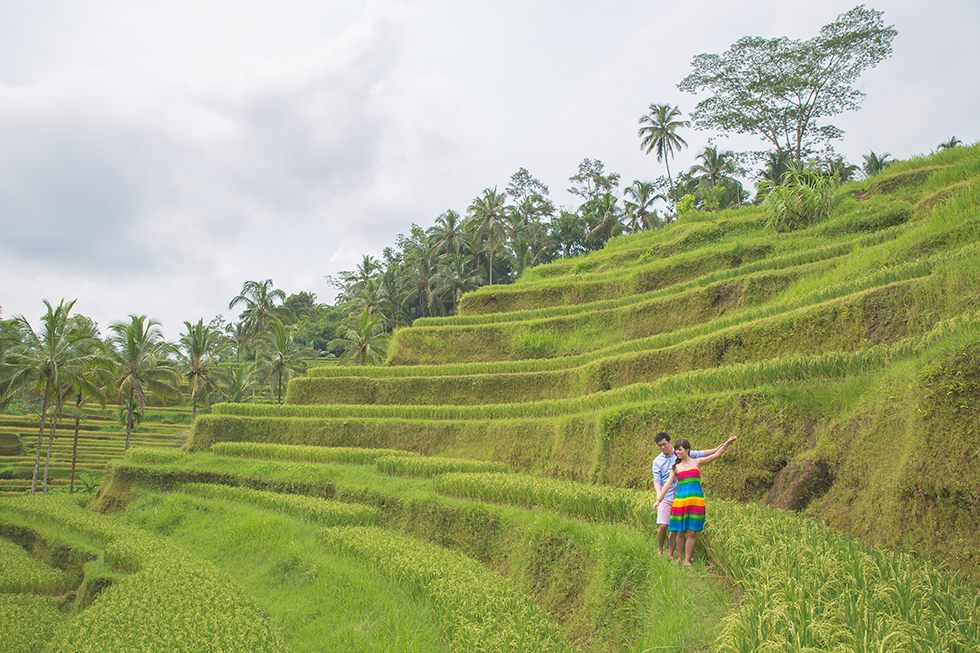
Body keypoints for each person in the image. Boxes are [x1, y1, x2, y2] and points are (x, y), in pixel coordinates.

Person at [652, 435, 737, 567]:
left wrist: (727, 443)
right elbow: (667, 485)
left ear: (687, 450)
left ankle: (687, 560)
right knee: (680, 531)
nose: (677, 452)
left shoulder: (697, 462)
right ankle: (679, 558)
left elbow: (716, 454)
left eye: (680, 450)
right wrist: (658, 500)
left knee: (692, 531)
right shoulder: (676, 468)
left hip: (696, 501)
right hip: (681, 501)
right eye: (676, 450)